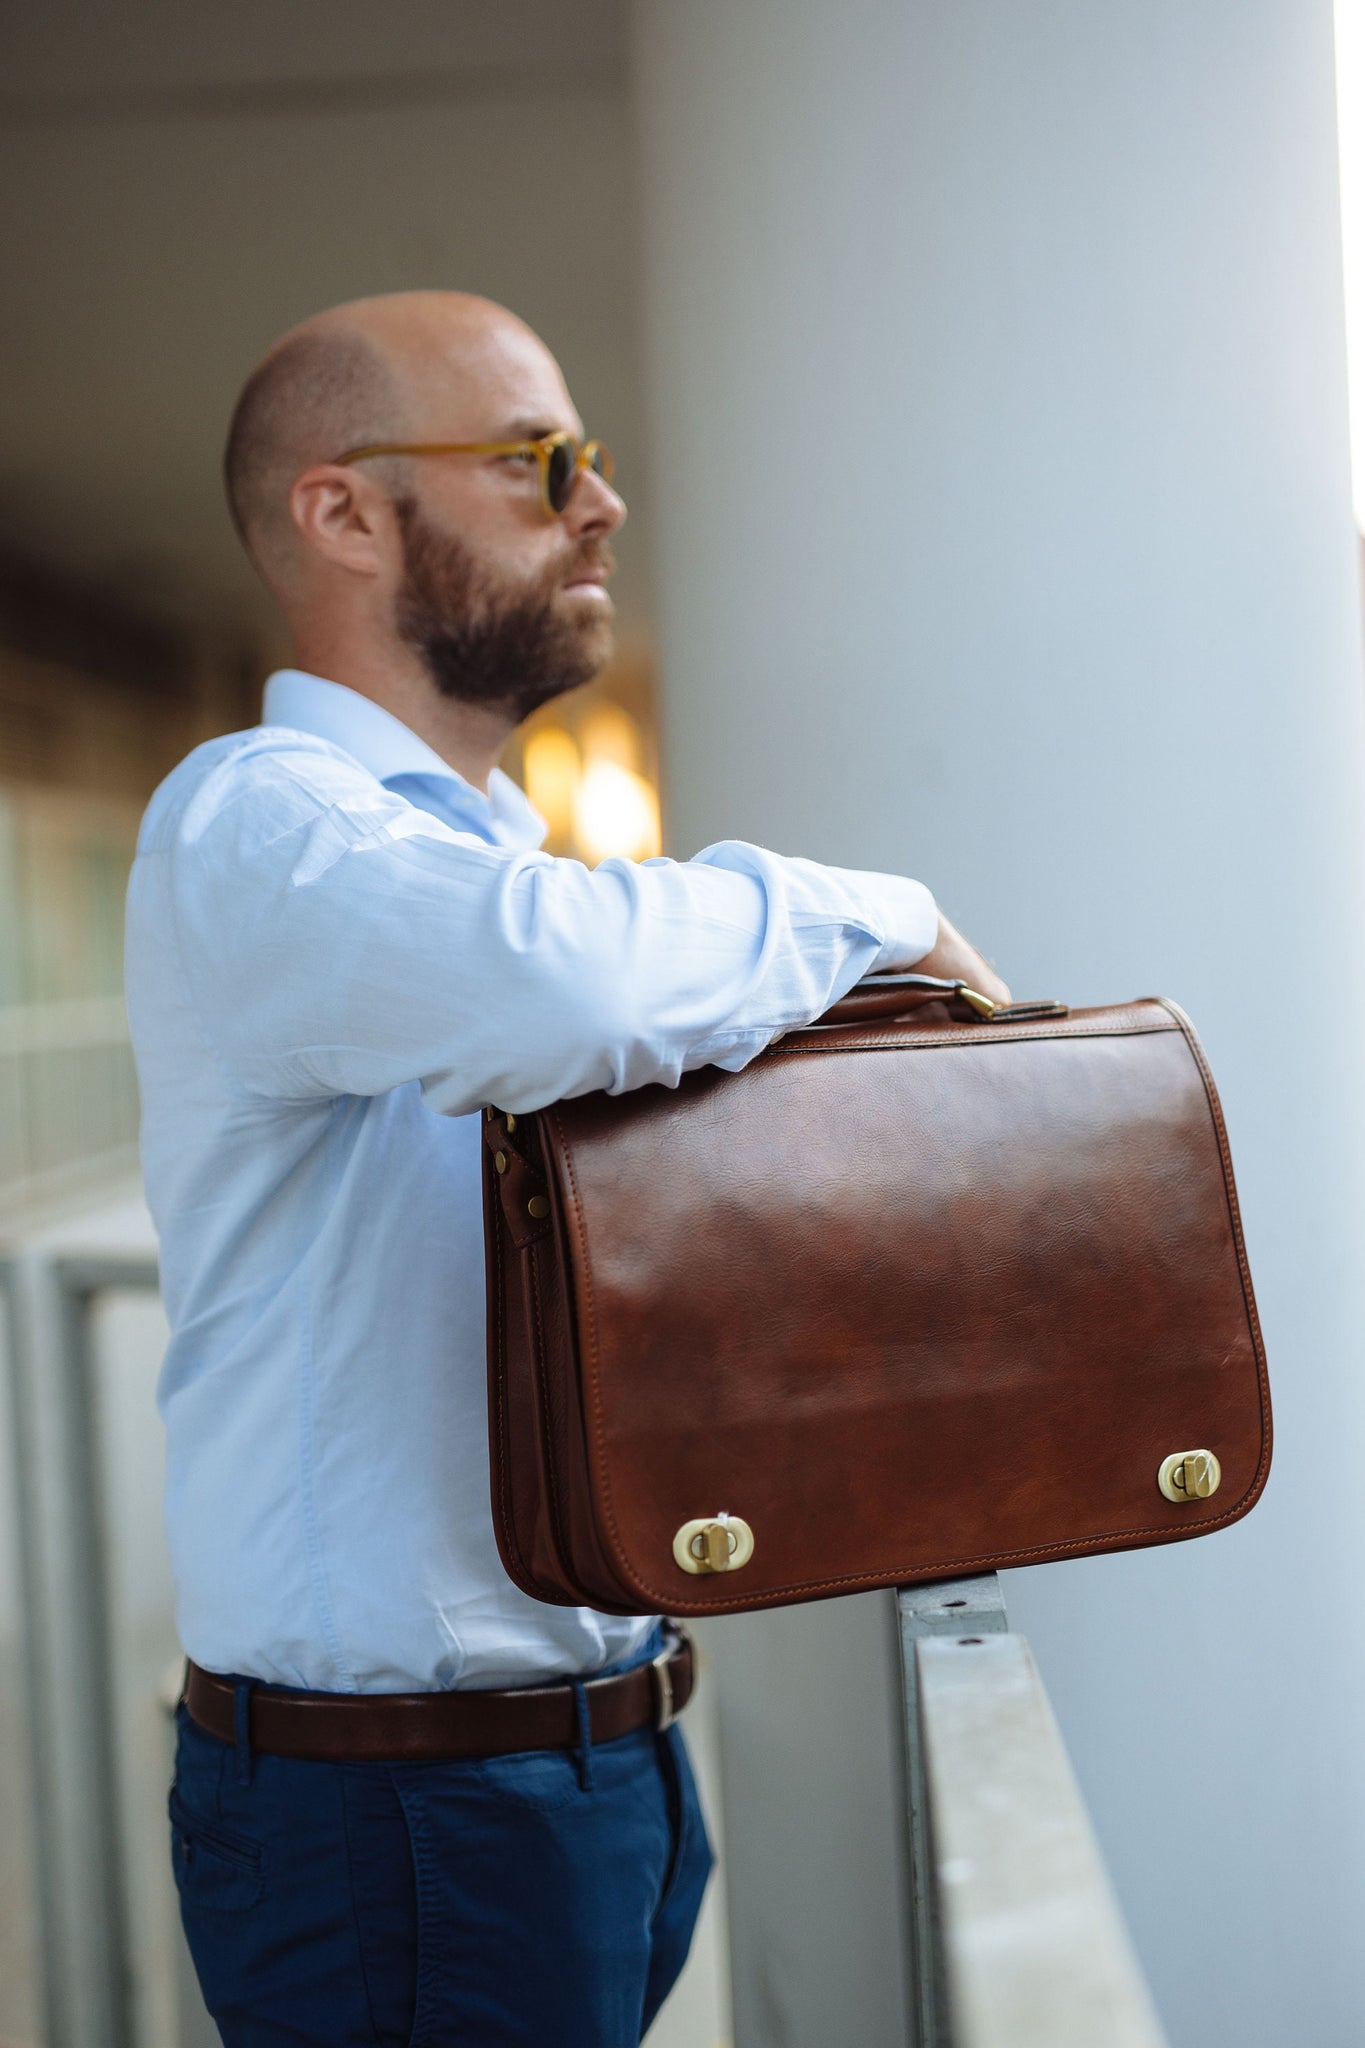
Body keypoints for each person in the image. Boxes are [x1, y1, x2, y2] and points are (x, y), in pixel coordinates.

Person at [124, 290, 1008, 2046]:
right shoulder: (261, 821)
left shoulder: (456, 870)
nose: (600, 504)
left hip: (576, 1777)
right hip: (396, 1823)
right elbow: (562, 982)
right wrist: (883, 910)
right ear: (346, 512)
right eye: (540, 463)